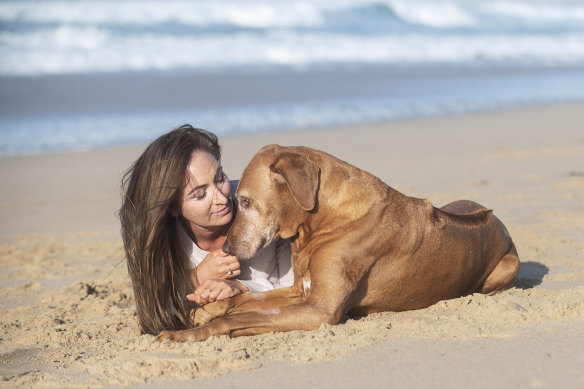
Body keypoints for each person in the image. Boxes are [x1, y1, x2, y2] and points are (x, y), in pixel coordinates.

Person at [119, 125, 293, 335]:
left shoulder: (266, 207)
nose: (221, 198)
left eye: (220, 178)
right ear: (172, 206)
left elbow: (299, 294)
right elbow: (154, 316)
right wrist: (195, 280)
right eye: (200, 194)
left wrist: (241, 288)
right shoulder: (162, 240)